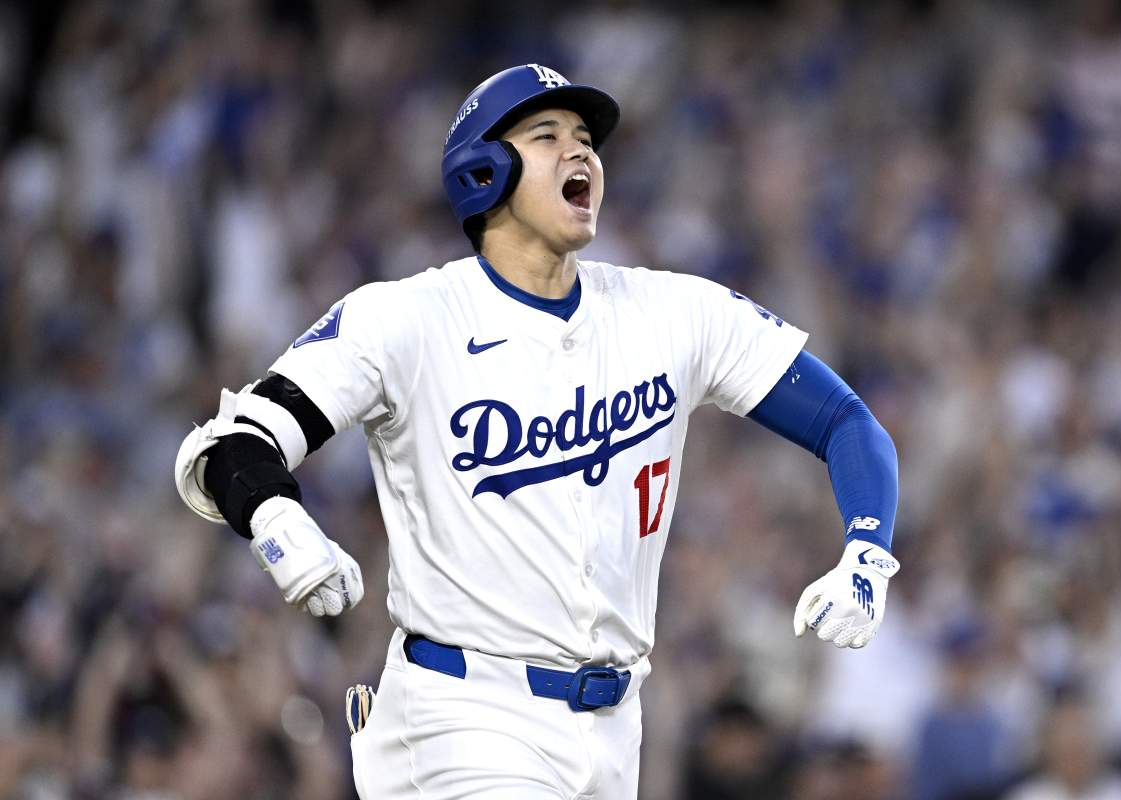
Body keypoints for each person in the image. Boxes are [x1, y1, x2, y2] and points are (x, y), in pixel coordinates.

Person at [174, 63, 901, 799]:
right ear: (483, 170)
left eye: (585, 138)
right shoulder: (406, 319)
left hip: (615, 728)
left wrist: (868, 551)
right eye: (547, 135)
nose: (579, 150)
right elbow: (234, 442)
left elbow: (847, 421)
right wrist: (277, 519)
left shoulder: (673, 312)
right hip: (461, 714)